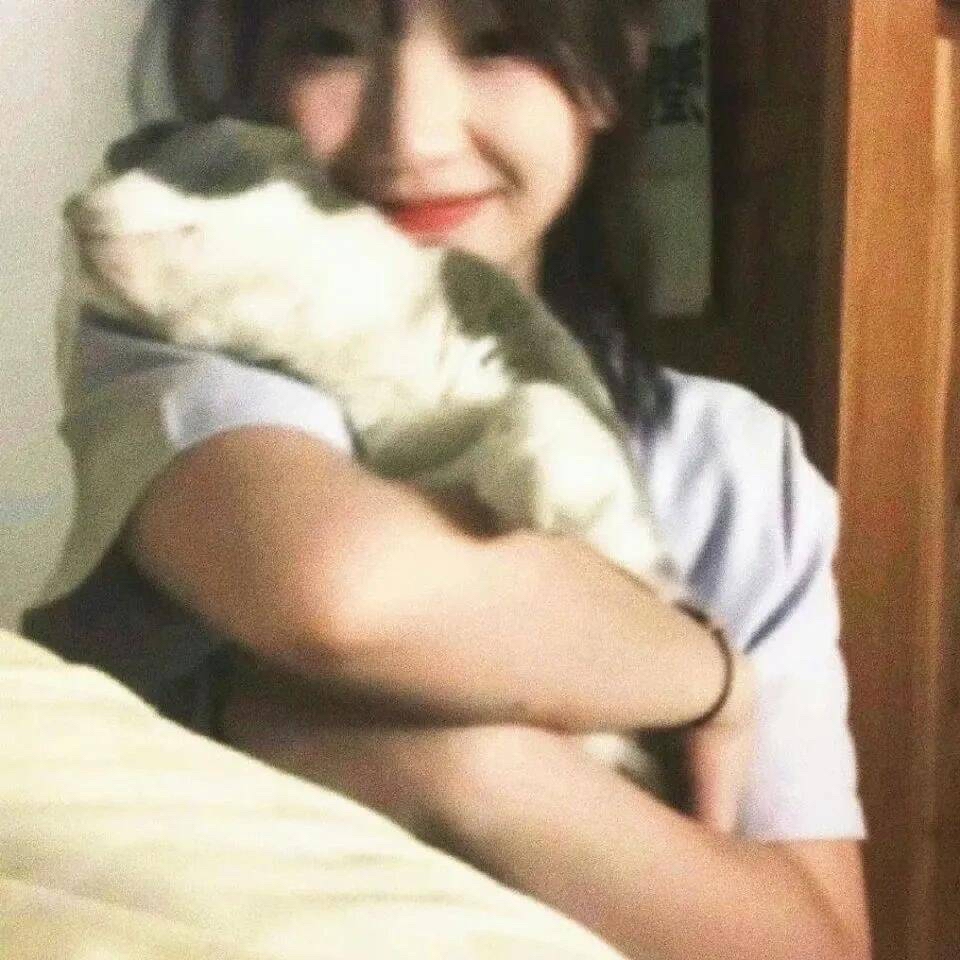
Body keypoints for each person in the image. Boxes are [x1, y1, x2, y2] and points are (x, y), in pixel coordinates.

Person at [24, 1, 872, 958]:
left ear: (613, 66)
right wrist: (706, 677)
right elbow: (340, 594)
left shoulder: (731, 460)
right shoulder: (190, 324)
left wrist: (467, 772)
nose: (412, 136)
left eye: (497, 41)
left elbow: (813, 943)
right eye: (331, 42)